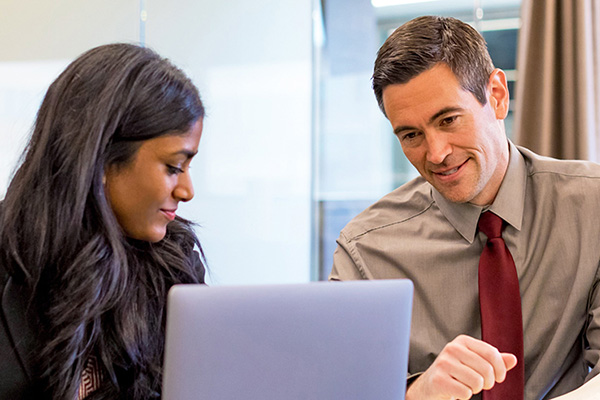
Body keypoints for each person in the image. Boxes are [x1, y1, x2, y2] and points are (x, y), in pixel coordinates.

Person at [330, 15, 600, 400]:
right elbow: (337, 388)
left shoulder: (592, 206)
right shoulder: (365, 249)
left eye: (449, 119)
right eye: (411, 135)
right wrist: (416, 393)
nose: (436, 153)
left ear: (497, 96)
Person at [0, 43, 206, 400]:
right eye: (174, 167)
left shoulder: (176, 265)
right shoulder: (9, 257)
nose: (187, 190)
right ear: (101, 159)